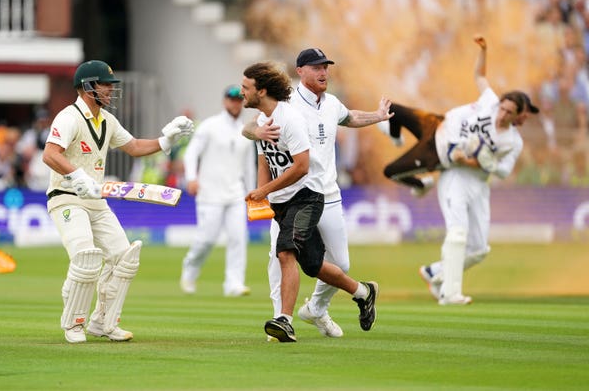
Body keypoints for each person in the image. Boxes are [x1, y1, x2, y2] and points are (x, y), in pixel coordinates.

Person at [243, 48, 393, 338]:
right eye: (316, 67)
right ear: (300, 71)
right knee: (281, 256)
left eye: (325, 67)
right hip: (289, 195)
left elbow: (350, 118)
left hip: (325, 193)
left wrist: (377, 116)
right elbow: (252, 129)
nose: (323, 72)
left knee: (338, 264)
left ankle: (317, 309)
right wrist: (256, 134)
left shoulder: (332, 103)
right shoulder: (286, 103)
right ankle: (280, 321)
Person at [42, 60, 194, 343]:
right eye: (105, 84)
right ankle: (74, 324)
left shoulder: (107, 121)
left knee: (124, 257)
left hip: (96, 200)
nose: (111, 90)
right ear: (88, 87)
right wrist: (76, 175)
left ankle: (102, 322)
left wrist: (166, 140)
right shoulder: (69, 117)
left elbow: (134, 147)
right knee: (86, 257)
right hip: (66, 198)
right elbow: (50, 154)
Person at [379, 36, 539, 304]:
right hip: (452, 172)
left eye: (509, 112)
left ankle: (434, 272)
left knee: (479, 249)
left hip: (478, 182)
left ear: (517, 116)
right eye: (503, 107)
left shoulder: (512, 141)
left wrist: (480, 162)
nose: (502, 114)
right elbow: (480, 75)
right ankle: (450, 293)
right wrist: (484, 51)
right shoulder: (489, 102)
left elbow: (501, 172)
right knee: (457, 232)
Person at [179, 84, 256, 297]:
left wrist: (252, 193)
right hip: (209, 193)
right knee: (206, 239)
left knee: (238, 238)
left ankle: (234, 283)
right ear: (224, 101)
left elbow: (249, 166)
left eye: (239, 99)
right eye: (232, 99)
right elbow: (191, 154)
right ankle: (190, 269)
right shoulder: (209, 126)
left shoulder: (246, 130)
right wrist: (192, 178)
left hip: (235, 194)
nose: (235, 103)